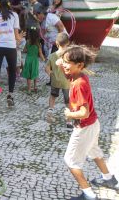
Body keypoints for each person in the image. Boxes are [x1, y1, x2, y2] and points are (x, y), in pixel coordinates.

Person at [56, 45, 118, 200]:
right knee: (94, 152)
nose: (64, 64)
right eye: (64, 61)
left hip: (85, 127)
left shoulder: (79, 84)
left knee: (70, 161)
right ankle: (108, 178)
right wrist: (62, 64)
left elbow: (84, 112)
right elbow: (67, 74)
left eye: (67, 62)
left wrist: (70, 114)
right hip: (93, 125)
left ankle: (89, 195)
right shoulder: (78, 75)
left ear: (80, 65)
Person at [44, 32, 72, 127]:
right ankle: (68, 122)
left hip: (55, 81)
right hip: (66, 82)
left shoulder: (52, 55)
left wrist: (51, 75)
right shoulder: (70, 55)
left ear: (57, 43)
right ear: (68, 43)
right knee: (68, 102)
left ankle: (50, 110)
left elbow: (46, 68)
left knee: (53, 96)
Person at [21, 29, 45, 93]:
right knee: (35, 73)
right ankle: (35, 87)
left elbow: (24, 50)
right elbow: (40, 54)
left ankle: (29, 89)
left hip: (28, 59)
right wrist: (44, 59)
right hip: (35, 60)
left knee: (28, 75)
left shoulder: (28, 42)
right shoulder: (38, 44)